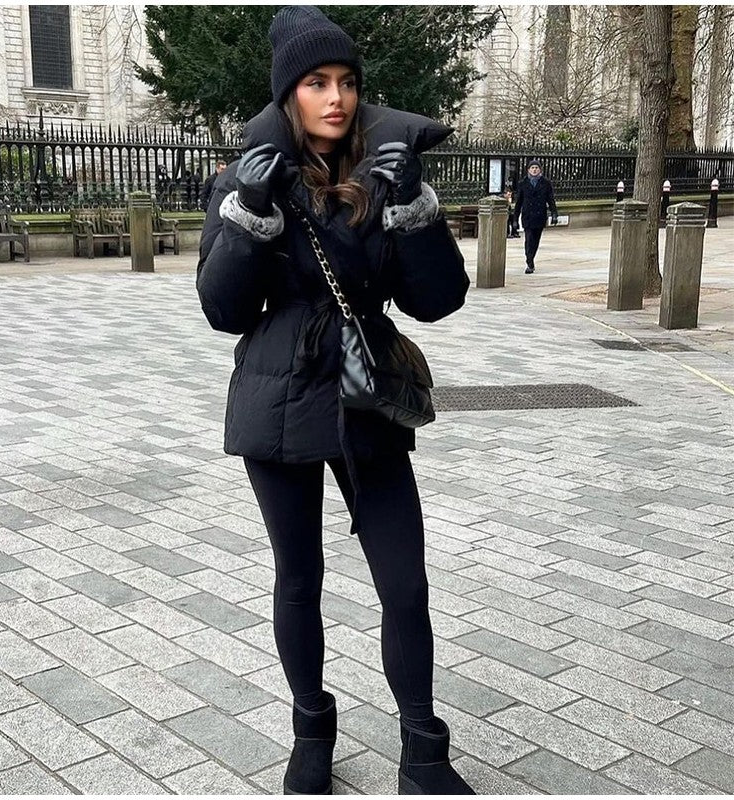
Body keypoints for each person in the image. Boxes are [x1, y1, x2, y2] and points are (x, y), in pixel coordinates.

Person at [197, 6, 473, 795]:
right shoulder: (246, 178)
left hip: (365, 388)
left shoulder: (387, 172)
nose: (336, 97)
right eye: (316, 82)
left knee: (405, 583)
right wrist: (248, 217)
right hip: (277, 392)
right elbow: (223, 311)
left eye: (347, 81)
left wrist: (414, 207)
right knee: (299, 578)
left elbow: (437, 300)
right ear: (289, 93)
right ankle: (311, 732)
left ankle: (424, 752)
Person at [513, 159, 558, 273]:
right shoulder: (523, 183)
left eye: (536, 168)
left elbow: (550, 199)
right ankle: (529, 262)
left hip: (539, 216)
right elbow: (518, 203)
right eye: (532, 168)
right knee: (529, 239)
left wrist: (554, 214)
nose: (534, 170)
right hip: (527, 216)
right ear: (528, 170)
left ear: (540, 170)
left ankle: (531, 257)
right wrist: (515, 220)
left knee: (536, 240)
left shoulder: (546, 183)